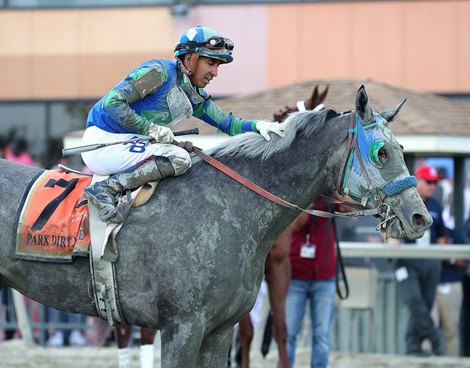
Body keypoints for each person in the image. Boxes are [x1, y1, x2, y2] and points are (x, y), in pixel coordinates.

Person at [81, 26, 285, 223]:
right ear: (190, 59)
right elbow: (112, 103)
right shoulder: (158, 72)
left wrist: (259, 126)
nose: (215, 72)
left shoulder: (194, 95)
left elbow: (228, 124)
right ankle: (106, 189)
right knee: (179, 158)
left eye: (218, 66)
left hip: (128, 143)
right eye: (211, 63)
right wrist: (150, 129)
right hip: (103, 141)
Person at [394, 165, 448, 356]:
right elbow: (389, 231)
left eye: (435, 183)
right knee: (414, 301)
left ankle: (413, 347)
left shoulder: (436, 205)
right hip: (407, 260)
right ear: (418, 181)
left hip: (430, 261)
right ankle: (434, 337)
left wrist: (440, 256)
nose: (433, 186)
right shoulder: (402, 202)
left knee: (424, 304)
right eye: (430, 182)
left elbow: (442, 235)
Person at [283, 195, 338, 368]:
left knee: (321, 334)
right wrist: (309, 197)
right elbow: (296, 225)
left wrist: (334, 193)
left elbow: (349, 209)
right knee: (289, 332)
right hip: (296, 276)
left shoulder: (330, 197)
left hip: (324, 277)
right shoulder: (301, 193)